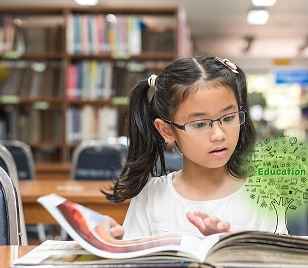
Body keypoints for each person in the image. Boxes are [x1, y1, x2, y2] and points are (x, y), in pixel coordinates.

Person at [103, 55, 284, 239]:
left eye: (229, 118)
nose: (219, 135)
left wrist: (243, 246)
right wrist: (114, 249)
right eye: (200, 124)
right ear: (167, 130)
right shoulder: (150, 196)